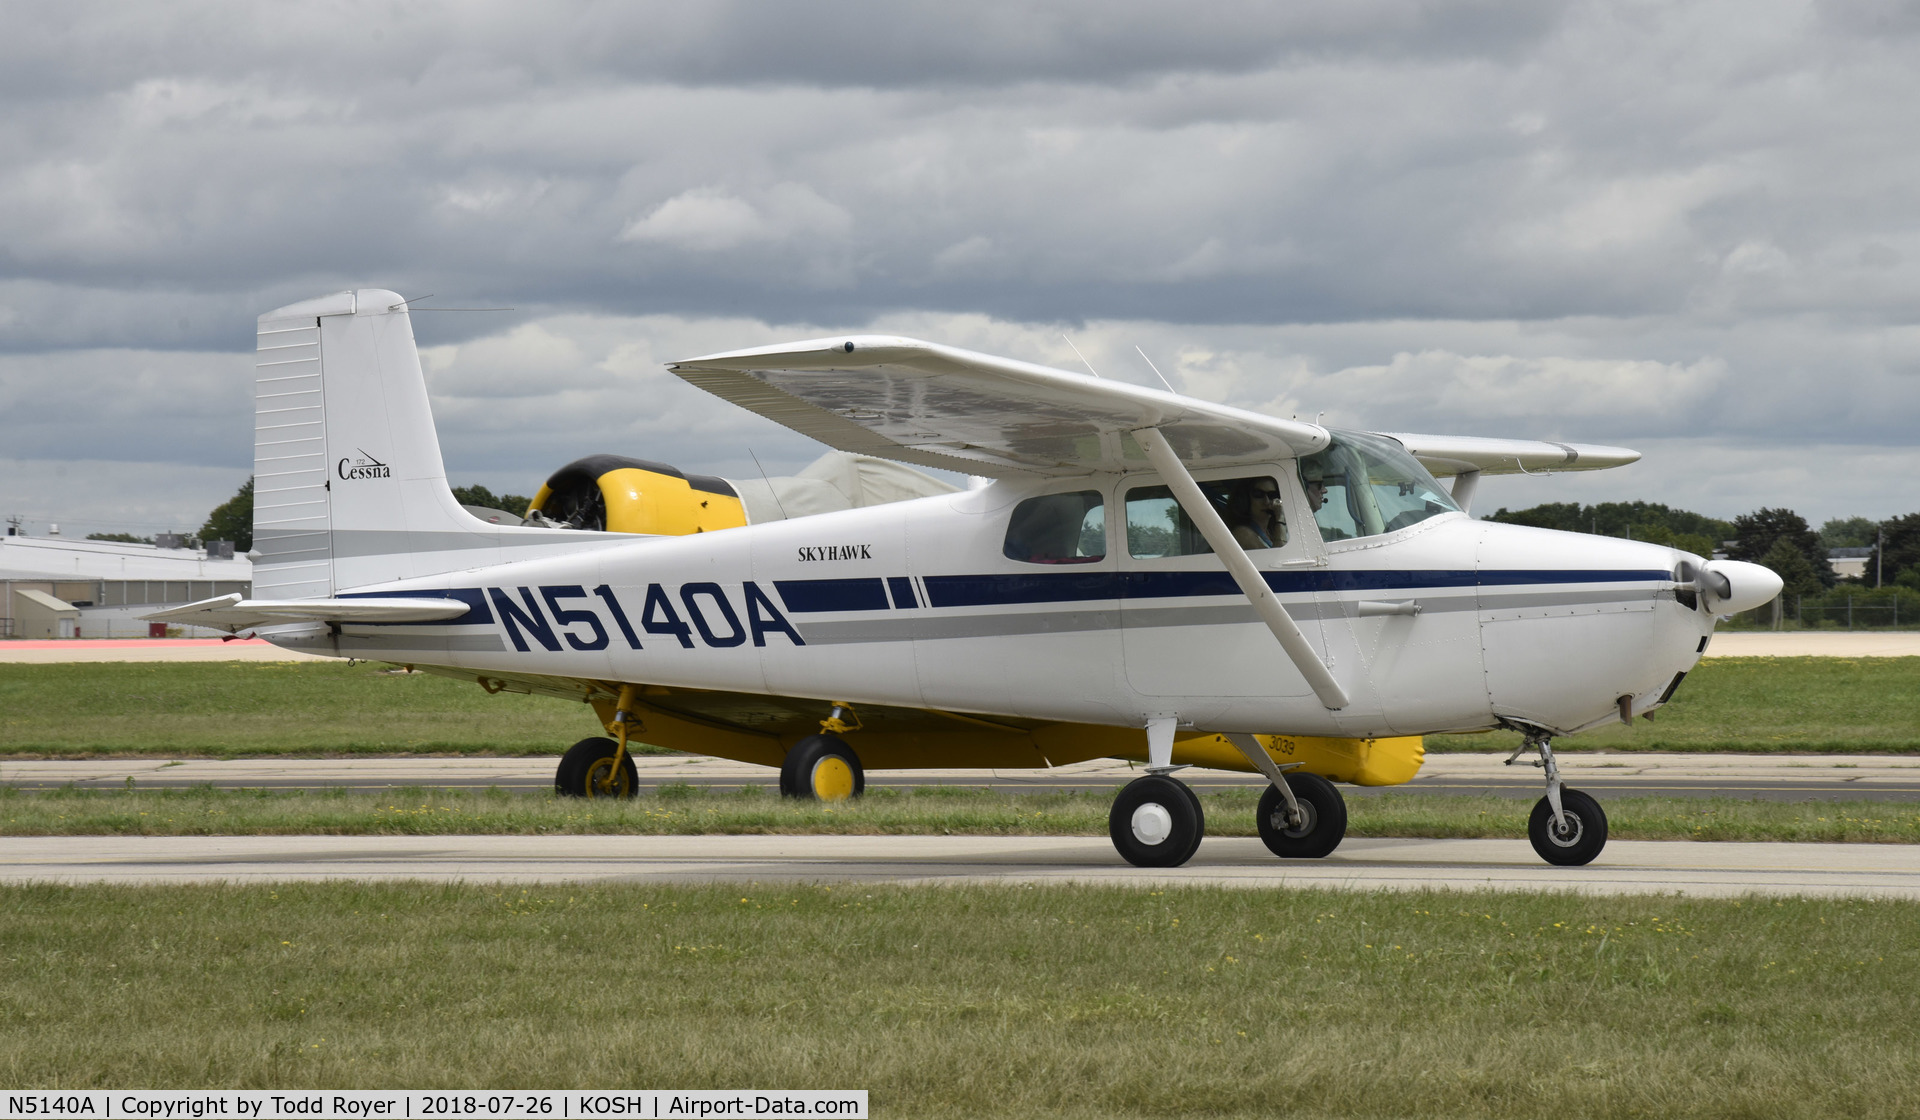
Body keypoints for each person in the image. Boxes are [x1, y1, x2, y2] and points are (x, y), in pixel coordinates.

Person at [1223, 477, 1285, 550]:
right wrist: (1280, 518)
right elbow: (1279, 556)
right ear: (1245, 499)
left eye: (1272, 495)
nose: (1267, 502)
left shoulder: (1271, 531)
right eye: (1258, 495)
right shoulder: (1243, 533)